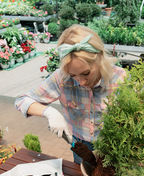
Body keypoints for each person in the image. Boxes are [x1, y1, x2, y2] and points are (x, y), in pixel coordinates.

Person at [15, 24, 126, 163]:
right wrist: (49, 112)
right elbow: (22, 101)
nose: (81, 82)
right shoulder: (62, 78)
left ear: (100, 59)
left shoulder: (121, 79)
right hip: (81, 146)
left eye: (86, 73)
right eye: (74, 75)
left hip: (114, 146)